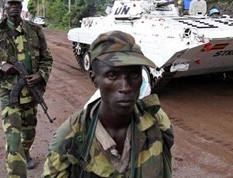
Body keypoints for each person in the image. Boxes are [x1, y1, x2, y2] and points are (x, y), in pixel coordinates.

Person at [42, 30, 173, 177]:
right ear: (94, 78)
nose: (126, 87)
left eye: (135, 75)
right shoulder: (70, 137)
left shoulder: (156, 122)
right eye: (112, 75)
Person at [0, 0, 53, 176]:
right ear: (4, 7)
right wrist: (0, 65)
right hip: (8, 92)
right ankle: (16, 172)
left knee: (29, 133)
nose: (14, 7)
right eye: (10, 4)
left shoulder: (35, 31)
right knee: (13, 138)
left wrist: (40, 75)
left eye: (17, 4)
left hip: (31, 90)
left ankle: (26, 152)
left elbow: (47, 59)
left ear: (21, 6)